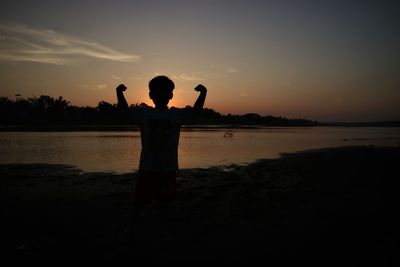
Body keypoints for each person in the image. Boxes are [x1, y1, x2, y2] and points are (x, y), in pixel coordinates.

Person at [116, 75, 207, 244]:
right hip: (147, 167)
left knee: (165, 202)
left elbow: (196, 111)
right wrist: (119, 93)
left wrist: (203, 93)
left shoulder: (176, 115)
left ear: (171, 95)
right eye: (158, 92)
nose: (162, 95)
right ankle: (130, 228)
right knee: (139, 201)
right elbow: (124, 110)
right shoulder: (144, 113)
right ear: (151, 95)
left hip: (168, 168)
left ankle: (164, 231)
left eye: (166, 92)